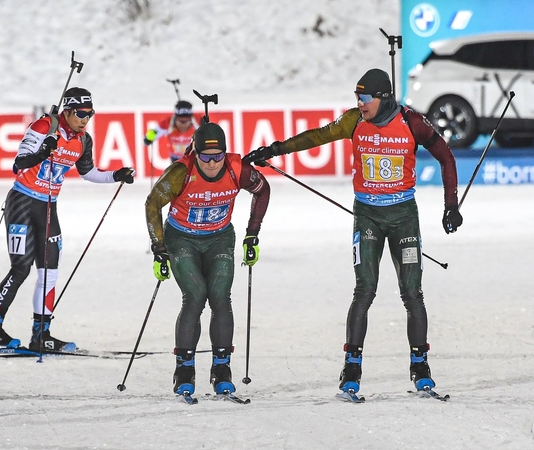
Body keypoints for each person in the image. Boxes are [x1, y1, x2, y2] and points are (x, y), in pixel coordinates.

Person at [243, 68, 463, 395]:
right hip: (368, 216)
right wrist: (274, 150)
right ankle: (351, 367)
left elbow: (446, 157)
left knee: (412, 292)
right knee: (365, 290)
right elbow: (316, 136)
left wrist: (451, 205)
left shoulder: (411, 122)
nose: (359, 103)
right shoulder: (353, 121)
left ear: (383, 98)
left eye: (364, 98)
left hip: (403, 216)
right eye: (356, 97)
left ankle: (420, 365)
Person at [0, 87, 135, 352]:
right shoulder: (44, 126)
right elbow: (18, 165)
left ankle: (41, 334)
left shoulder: (83, 140)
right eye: (81, 113)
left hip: (48, 206)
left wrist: (116, 175)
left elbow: (88, 172)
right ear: (67, 110)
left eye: (90, 113)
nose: (86, 119)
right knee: (21, 267)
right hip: (23, 202)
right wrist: (43, 152)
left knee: (50, 270)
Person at [145, 121, 270, 397]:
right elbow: (152, 202)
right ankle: (185, 370)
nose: (213, 163)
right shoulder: (181, 172)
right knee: (196, 295)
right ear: (195, 154)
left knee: (220, 296)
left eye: (218, 156)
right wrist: (159, 248)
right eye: (205, 157)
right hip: (182, 239)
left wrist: (252, 234)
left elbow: (263, 190)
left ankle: (222, 369)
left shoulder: (237, 169)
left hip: (219, 238)